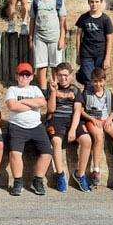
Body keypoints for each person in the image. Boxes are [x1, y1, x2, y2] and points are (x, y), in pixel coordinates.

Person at [76, 67, 113, 189]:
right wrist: (92, 119)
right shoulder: (87, 93)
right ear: (91, 81)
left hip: (106, 119)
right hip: (93, 119)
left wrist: (110, 119)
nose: (98, 84)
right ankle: (96, 170)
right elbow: (81, 110)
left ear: (104, 81)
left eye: (100, 81)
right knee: (99, 137)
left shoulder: (107, 93)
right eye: (95, 81)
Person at [5, 62, 52, 196]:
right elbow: (12, 106)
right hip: (17, 126)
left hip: (36, 126)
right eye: (22, 74)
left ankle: (38, 180)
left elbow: (43, 103)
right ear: (16, 76)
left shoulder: (35, 89)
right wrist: (33, 104)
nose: (24, 77)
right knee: (15, 154)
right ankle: (18, 182)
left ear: (32, 77)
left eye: (27, 75)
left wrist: (23, 102)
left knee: (47, 152)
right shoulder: (12, 90)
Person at [45, 63, 89, 193]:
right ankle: (60, 175)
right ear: (56, 76)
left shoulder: (75, 90)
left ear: (70, 76)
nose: (63, 78)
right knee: (56, 141)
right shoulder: (52, 88)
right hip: (56, 119)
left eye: (65, 75)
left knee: (87, 140)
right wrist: (53, 92)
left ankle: (80, 175)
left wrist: (73, 129)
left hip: (72, 120)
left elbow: (77, 111)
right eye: (60, 75)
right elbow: (51, 109)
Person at [29, 0, 68, 92]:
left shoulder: (58, 0)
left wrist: (62, 38)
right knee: (41, 65)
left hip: (54, 37)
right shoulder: (36, 1)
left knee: (56, 65)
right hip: (39, 37)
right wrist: (30, 38)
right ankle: (44, 91)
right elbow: (32, 20)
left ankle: (55, 89)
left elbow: (63, 22)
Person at [75, 0, 113, 88]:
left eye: (97, 2)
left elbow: (109, 39)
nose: (94, 4)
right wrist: (78, 54)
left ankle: (99, 100)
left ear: (101, 2)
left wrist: (107, 58)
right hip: (86, 54)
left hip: (100, 55)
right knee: (88, 79)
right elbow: (78, 36)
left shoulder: (105, 19)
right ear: (88, 2)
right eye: (92, 2)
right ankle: (88, 100)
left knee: (99, 80)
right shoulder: (83, 18)